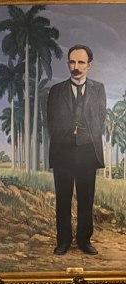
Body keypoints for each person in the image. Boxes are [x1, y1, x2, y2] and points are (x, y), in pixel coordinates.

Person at [47, 44, 107, 256]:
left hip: (88, 152)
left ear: (89, 65)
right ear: (68, 64)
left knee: (86, 199)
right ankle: (63, 241)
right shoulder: (56, 90)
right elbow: (50, 121)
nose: (76, 66)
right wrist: (68, 135)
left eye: (81, 62)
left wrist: (85, 136)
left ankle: (84, 241)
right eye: (72, 62)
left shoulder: (98, 89)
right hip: (62, 152)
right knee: (63, 199)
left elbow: (101, 119)